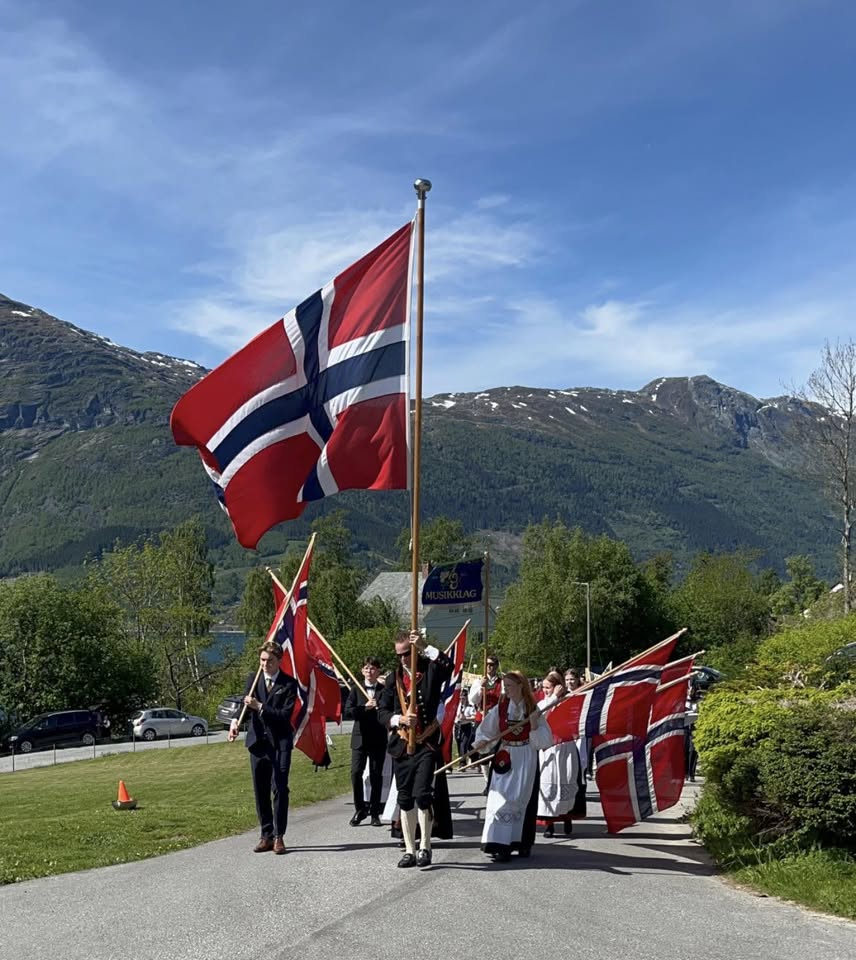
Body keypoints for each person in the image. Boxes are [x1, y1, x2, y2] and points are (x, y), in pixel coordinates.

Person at [378, 629, 453, 869]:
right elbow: (382, 712)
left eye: (406, 653)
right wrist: (399, 719)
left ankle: (425, 847)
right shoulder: (394, 679)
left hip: (425, 743)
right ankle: (409, 849)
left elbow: (447, 665)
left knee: (423, 795)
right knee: (406, 798)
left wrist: (423, 646)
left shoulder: (430, 669)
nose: (402, 659)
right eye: (399, 655)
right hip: (401, 745)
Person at [472, 670, 553, 862]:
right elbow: (487, 731)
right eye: (505, 686)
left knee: (521, 799)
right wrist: (482, 742)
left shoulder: (533, 710)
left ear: (520, 686)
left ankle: (522, 842)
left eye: (509, 686)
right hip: (505, 755)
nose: (506, 690)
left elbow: (545, 740)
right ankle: (498, 843)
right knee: (498, 799)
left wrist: (533, 725)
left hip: (526, 756)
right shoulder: (500, 709)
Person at [228, 640, 297, 855]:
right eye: (262, 660)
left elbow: (284, 716)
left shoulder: (288, 684)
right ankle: (265, 835)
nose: (265, 664)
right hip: (258, 743)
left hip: (280, 745)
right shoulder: (254, 679)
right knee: (261, 791)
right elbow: (243, 706)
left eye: (269, 661)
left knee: (280, 789)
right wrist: (234, 722)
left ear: (279, 662)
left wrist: (260, 706)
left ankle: (279, 836)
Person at [536, 671, 585, 837]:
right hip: (549, 749)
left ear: (557, 687)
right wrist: (553, 698)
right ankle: (549, 824)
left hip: (566, 748)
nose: (545, 690)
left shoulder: (569, 701)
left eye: (548, 687)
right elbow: (539, 716)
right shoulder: (544, 703)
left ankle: (567, 817)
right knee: (549, 785)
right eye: (543, 687)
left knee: (567, 782)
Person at [344, 657, 387, 826]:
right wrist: (365, 708)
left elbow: (390, 710)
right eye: (367, 668)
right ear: (362, 671)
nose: (370, 671)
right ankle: (360, 809)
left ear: (378, 672)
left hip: (378, 739)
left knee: (376, 776)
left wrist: (380, 708)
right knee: (356, 773)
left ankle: (375, 812)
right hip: (360, 739)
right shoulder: (355, 689)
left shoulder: (384, 691)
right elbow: (348, 712)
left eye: (373, 669)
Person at [454, 691, 477, 760]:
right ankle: (464, 759)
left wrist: (465, 718)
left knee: (463, 744)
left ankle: (462, 763)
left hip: (466, 727)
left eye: (463, 698)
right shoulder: (457, 706)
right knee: (458, 744)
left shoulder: (470, 707)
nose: (461, 700)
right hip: (457, 727)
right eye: (460, 698)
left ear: (467, 698)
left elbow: (474, 718)